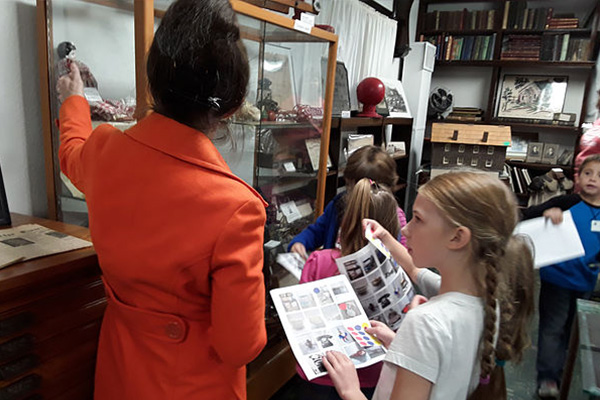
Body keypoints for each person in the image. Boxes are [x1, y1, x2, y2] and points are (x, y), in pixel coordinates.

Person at [56, 1, 267, 399]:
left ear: (153, 81)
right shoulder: (236, 208)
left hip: (121, 370)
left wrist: (74, 100)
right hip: (194, 386)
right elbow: (240, 346)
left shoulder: (104, 152)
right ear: (234, 104)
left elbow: (72, 151)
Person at [322, 171, 534, 400]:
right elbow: (414, 271)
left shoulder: (424, 322)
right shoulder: (487, 300)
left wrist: (350, 390)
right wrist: (384, 236)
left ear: (457, 237)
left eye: (418, 219)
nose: (405, 229)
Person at [296, 178, 400, 399]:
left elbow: (299, 321)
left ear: (345, 221)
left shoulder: (318, 260)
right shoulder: (396, 272)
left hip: (320, 372)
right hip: (370, 376)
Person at [521, 154, 600, 399]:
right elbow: (529, 214)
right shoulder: (567, 201)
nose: (593, 179)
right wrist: (550, 212)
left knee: (571, 331)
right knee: (552, 328)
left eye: (599, 176)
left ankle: (560, 372)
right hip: (557, 278)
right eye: (588, 173)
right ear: (578, 177)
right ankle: (548, 379)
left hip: (586, 280)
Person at [289, 145, 407, 260]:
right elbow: (318, 230)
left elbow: (402, 259)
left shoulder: (394, 216)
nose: (352, 197)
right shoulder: (339, 204)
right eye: (350, 188)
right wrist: (300, 242)